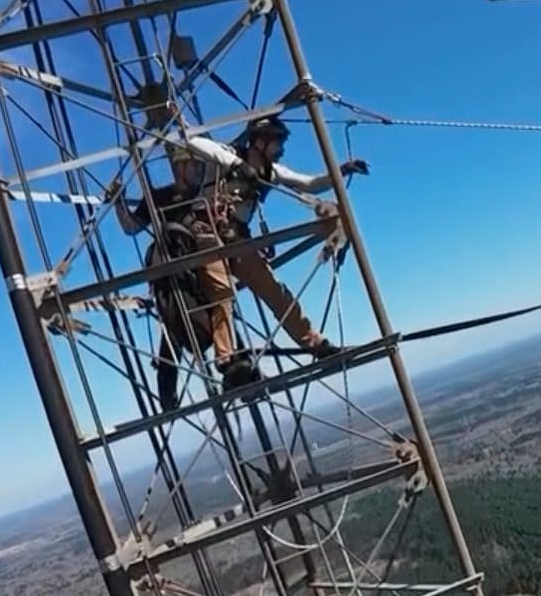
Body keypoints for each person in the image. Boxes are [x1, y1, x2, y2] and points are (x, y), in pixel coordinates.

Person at [116, 117, 367, 391]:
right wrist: (237, 165)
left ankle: (316, 343)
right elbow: (193, 142)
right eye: (277, 142)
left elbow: (309, 183)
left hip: (238, 239)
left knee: (275, 291)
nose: (280, 149)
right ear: (260, 141)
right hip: (206, 234)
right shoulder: (225, 158)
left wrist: (341, 170)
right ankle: (227, 361)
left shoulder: (271, 171)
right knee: (221, 294)